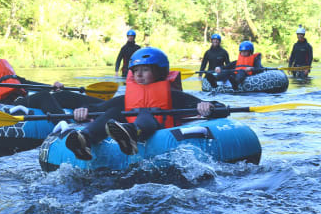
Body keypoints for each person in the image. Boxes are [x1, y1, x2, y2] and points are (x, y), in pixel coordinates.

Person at [65, 47, 223, 160]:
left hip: (159, 132)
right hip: (127, 131)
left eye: (145, 69)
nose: (139, 74)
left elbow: (218, 108)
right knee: (112, 113)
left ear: (159, 72)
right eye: (136, 70)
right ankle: (84, 139)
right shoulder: (126, 98)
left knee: (146, 112)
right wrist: (83, 111)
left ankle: (132, 133)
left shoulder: (175, 97)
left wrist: (207, 106)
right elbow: (98, 108)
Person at [0, 27, 102, 114]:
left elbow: (23, 82)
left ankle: (104, 108)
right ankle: (66, 127)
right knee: (43, 97)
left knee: (63, 95)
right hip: (5, 106)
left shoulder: (1, 63)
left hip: (21, 99)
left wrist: (51, 86)